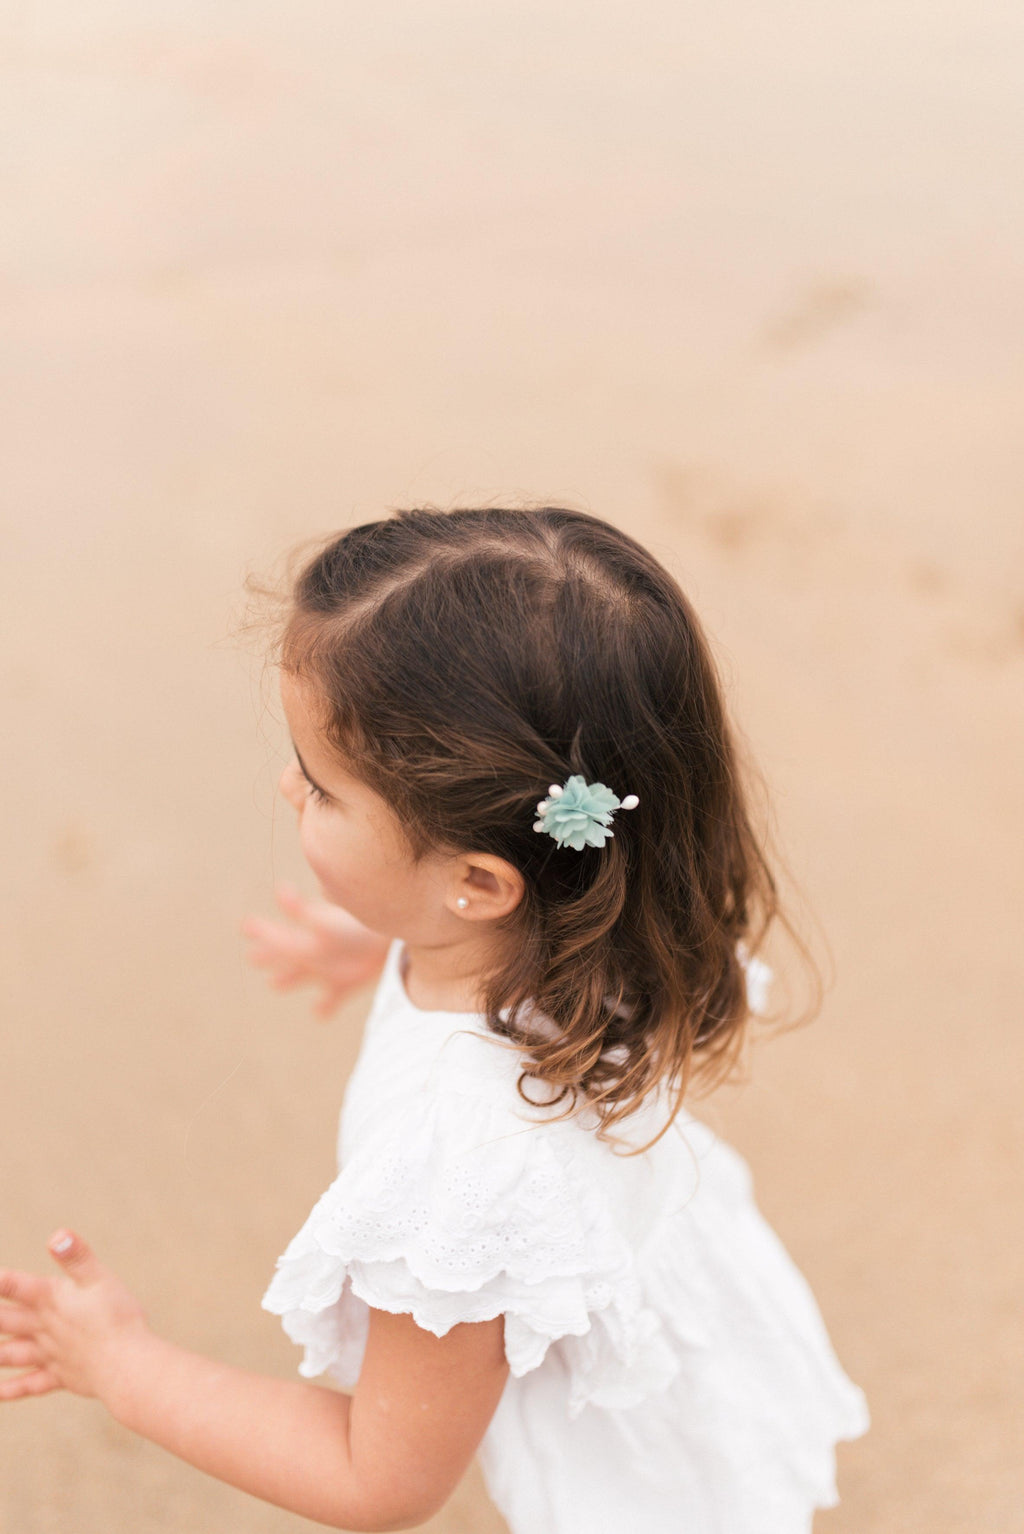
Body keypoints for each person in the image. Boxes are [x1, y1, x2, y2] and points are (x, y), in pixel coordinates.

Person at [0, 505, 869, 1532]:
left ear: (478, 882)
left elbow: (379, 1477)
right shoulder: (604, 905)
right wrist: (388, 943)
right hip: (682, 1323)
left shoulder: (467, 1166)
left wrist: (124, 1366)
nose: (289, 785)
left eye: (323, 786)